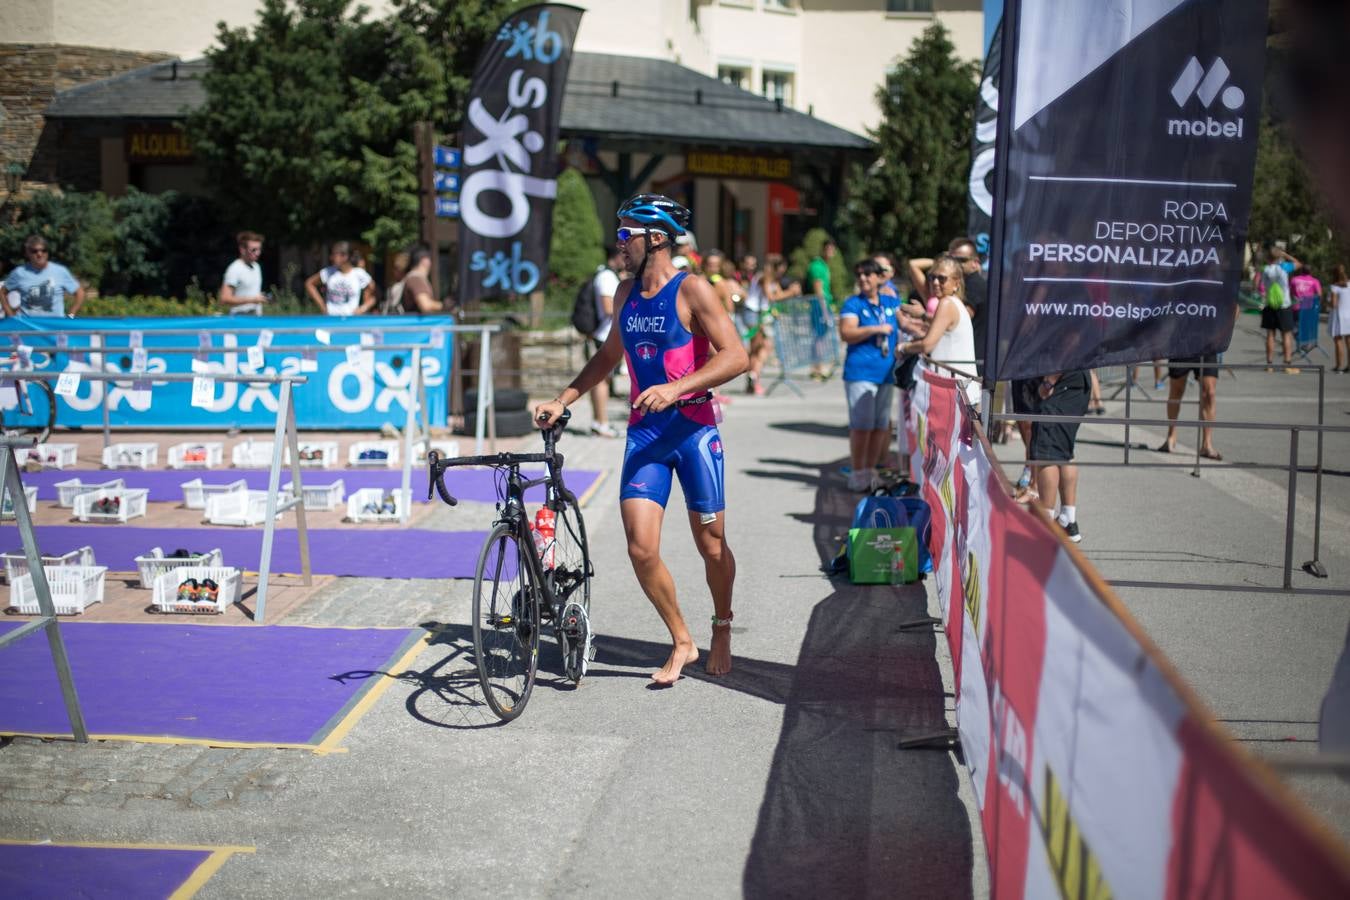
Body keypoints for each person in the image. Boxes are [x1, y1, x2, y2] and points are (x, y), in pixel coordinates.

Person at [534, 194, 748, 685]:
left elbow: (735, 356)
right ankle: (682, 640)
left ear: (655, 238)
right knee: (641, 548)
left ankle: (721, 625)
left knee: (711, 545)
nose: (618, 244)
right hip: (645, 435)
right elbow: (609, 355)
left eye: (624, 234)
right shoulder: (625, 293)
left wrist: (676, 388)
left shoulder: (692, 289)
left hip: (694, 431)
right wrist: (563, 399)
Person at [838, 258, 901, 492]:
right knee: (861, 426)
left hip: (886, 374)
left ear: (878, 277)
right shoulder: (853, 303)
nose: (863, 279)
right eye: (860, 275)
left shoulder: (890, 302)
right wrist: (875, 329)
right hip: (861, 373)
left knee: (880, 426)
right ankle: (858, 473)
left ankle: (870, 470)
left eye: (868, 274)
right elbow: (846, 333)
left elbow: (907, 322)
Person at [898, 255, 980, 408]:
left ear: (956, 283)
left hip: (955, 392)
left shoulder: (947, 303)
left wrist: (903, 348)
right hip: (960, 390)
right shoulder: (955, 303)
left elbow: (927, 345)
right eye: (932, 277)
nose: (935, 282)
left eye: (942, 279)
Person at [1027, 371, 1090, 543]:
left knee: (1047, 453)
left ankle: (1046, 526)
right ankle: (1068, 520)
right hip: (1077, 381)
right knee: (1064, 452)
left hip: (1062, 382)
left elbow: (1064, 353)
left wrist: (1049, 381)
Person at [583, 245, 624, 438]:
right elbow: (608, 308)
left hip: (603, 333)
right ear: (615, 257)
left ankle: (598, 422)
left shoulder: (605, 275)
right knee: (602, 381)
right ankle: (602, 423)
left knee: (599, 380)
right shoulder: (607, 277)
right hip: (604, 334)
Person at [1157, 356, 1222, 460]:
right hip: (1181, 349)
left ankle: (1207, 444)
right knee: (1176, 391)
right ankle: (1171, 436)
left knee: (1209, 393)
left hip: (1206, 349)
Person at [1, 235, 84, 317]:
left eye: (44, 250)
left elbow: (80, 293)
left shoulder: (60, 271)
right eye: (34, 251)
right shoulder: (19, 272)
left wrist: (71, 316)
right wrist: (11, 316)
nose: (40, 254)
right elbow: (2, 292)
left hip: (54, 324)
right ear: (27, 253)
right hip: (27, 324)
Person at [305, 241, 376, 316]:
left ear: (345, 256)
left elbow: (375, 293)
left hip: (351, 319)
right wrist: (323, 307)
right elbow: (309, 283)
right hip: (330, 318)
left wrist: (363, 308)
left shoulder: (359, 274)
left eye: (334, 254)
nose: (331, 257)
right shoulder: (328, 272)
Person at [1259, 247, 1298, 373]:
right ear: (1279, 257)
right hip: (1284, 305)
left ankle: (1269, 364)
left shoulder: (1265, 269)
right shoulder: (1284, 267)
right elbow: (1298, 264)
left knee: (1270, 335)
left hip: (1270, 304)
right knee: (1286, 335)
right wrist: (1286, 255)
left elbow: (1259, 285)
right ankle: (1287, 364)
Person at [807, 239, 837, 380]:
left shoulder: (825, 265)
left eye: (832, 249)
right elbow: (818, 290)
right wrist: (824, 311)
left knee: (821, 337)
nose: (830, 252)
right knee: (818, 337)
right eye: (828, 249)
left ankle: (817, 367)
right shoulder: (817, 266)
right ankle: (817, 367)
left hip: (825, 304)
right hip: (819, 306)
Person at [218, 231, 268, 316]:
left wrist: (260, 297)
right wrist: (252, 300)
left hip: (256, 319)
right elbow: (224, 299)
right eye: (253, 250)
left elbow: (250, 292)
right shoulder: (234, 269)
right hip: (239, 320)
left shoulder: (256, 266)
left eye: (259, 249)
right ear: (242, 250)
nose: (258, 253)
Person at [399, 245, 443, 314]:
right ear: (425, 261)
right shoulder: (416, 279)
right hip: (415, 320)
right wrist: (444, 305)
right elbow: (425, 305)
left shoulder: (411, 277)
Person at [1329, 265, 1350, 373]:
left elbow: (1333, 304)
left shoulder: (1334, 287)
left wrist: (1328, 302)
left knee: (1338, 340)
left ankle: (1339, 366)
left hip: (1339, 316)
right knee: (1349, 341)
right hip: (1349, 315)